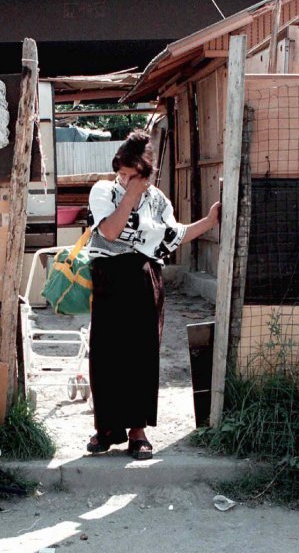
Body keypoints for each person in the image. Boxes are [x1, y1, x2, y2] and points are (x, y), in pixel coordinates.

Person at [85, 129, 221, 460]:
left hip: (145, 278)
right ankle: (106, 428)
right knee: (106, 354)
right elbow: (110, 232)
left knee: (141, 355)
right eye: (122, 173)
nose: (126, 179)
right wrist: (130, 194)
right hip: (108, 276)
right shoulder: (104, 191)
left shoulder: (159, 201)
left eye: (133, 174)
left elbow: (174, 236)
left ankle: (137, 431)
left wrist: (209, 221)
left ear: (147, 173)